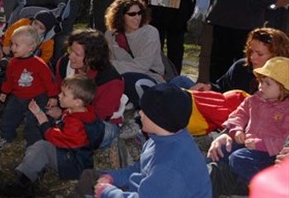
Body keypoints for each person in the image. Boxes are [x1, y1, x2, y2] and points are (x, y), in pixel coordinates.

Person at [74, 83, 211, 198]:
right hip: (146, 190)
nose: (139, 113)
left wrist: (108, 192)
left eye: (145, 111)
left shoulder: (170, 167)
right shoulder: (160, 138)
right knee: (90, 177)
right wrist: (113, 177)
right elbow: (141, 168)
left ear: (159, 119)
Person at [1, 75, 99, 197]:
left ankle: (23, 182)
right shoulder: (83, 113)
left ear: (77, 102)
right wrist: (59, 115)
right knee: (41, 147)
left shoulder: (76, 123)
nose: (59, 95)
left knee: (42, 147)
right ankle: (34, 166)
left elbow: (57, 138)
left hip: (74, 166)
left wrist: (42, 120)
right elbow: (69, 126)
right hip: (78, 158)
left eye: (64, 94)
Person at [207, 57, 289, 197]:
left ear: (283, 89)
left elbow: (284, 139)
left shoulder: (285, 110)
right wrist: (237, 129)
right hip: (247, 144)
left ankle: (255, 187)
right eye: (261, 82)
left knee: (239, 159)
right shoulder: (254, 99)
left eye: (267, 84)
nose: (261, 87)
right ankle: (205, 176)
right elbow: (238, 115)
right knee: (221, 150)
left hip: (268, 153)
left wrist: (262, 144)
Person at [53, 28, 124, 148]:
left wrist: (62, 115)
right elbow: (57, 91)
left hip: (99, 123)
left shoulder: (110, 80)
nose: (70, 56)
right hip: (69, 113)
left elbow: (98, 115)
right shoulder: (64, 64)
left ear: (92, 58)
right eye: (71, 50)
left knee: (83, 134)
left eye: (77, 54)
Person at [0, 25, 59, 149]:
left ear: (30, 48)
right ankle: (6, 136)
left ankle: (34, 145)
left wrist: (53, 97)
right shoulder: (13, 63)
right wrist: (4, 92)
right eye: (12, 44)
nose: (12, 48)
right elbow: (9, 80)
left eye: (16, 45)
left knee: (33, 121)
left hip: (37, 98)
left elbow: (50, 82)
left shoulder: (39, 64)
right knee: (9, 116)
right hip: (18, 96)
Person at [104, 0, 165, 108]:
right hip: (118, 76)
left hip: (149, 77)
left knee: (129, 80)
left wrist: (110, 66)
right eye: (132, 14)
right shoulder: (110, 34)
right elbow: (107, 59)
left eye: (139, 13)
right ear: (120, 16)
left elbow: (142, 66)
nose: (137, 17)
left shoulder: (150, 32)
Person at [191, 27, 289, 94]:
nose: (252, 57)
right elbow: (222, 89)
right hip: (231, 117)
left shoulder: (284, 80)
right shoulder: (241, 67)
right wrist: (208, 88)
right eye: (251, 51)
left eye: (260, 54)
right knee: (181, 82)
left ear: (277, 56)